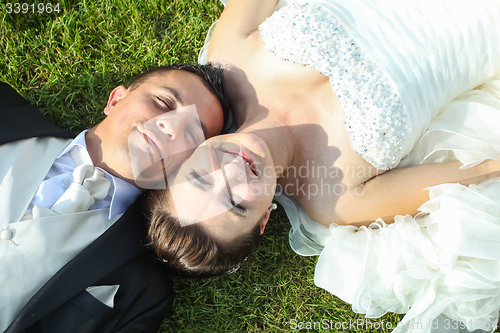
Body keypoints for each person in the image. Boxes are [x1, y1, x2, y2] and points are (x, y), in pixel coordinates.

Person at [148, 0, 500, 332]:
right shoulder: (338, 200)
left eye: (200, 177)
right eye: (237, 204)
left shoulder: (228, 58)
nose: (232, 173)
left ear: (188, 155)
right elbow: (475, 170)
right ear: (263, 219)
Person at [0, 63, 230, 333]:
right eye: (164, 103)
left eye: (192, 133)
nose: (172, 128)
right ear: (116, 99)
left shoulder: (144, 292)